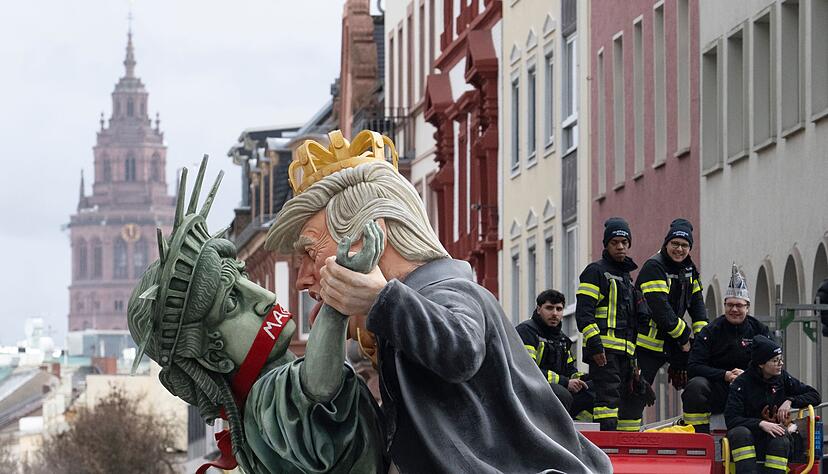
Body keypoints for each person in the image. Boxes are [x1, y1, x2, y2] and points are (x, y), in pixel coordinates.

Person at [264, 130, 611, 473]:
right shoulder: (404, 316)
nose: (302, 278)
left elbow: (461, 350)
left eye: (311, 252)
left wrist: (379, 298)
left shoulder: (448, 291)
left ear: (369, 235)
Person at [127, 157, 388, 473]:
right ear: (213, 356)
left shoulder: (264, 398)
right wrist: (337, 299)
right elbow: (319, 385)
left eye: (244, 279)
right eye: (231, 302)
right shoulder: (265, 401)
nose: (265, 298)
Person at [630, 219, 708, 427]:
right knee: (636, 393)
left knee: (697, 384)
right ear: (666, 243)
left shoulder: (689, 269)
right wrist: (685, 337)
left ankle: (696, 432)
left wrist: (702, 341)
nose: (679, 249)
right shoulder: (654, 266)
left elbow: (698, 305)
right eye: (675, 244)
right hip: (647, 346)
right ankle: (628, 438)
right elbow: (660, 309)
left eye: (684, 245)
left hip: (673, 342)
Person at [575, 217, 645, 432]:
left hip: (626, 353)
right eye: (615, 242)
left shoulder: (626, 277)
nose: (620, 247)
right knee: (607, 401)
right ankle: (607, 447)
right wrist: (595, 345)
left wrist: (634, 358)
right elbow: (584, 313)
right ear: (606, 244)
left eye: (624, 242)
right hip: (604, 352)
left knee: (629, 400)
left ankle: (628, 448)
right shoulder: (595, 271)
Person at [682, 263, 770, 433]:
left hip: (750, 390)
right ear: (724, 306)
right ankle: (699, 435)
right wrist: (725, 375)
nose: (734, 309)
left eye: (739, 305)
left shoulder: (760, 330)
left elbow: (773, 364)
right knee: (695, 386)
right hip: (718, 389)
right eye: (730, 305)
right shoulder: (710, 331)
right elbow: (694, 366)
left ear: (747, 307)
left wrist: (748, 375)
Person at [725, 335, 820, 473]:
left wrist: (790, 400)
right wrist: (761, 423)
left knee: (780, 439)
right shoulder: (741, 383)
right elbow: (732, 419)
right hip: (748, 436)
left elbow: (814, 395)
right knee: (740, 433)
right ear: (761, 364)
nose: (780, 363)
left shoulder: (783, 378)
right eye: (775, 360)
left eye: (781, 359)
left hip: (775, 438)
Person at [516, 289, 594, 420]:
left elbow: (570, 370)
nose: (554, 313)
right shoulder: (526, 332)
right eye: (549, 308)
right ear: (538, 309)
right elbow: (528, 370)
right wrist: (565, 382)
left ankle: (578, 428)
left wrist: (584, 379)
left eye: (559, 309)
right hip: (528, 390)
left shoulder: (562, 339)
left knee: (595, 389)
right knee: (561, 394)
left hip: (556, 387)